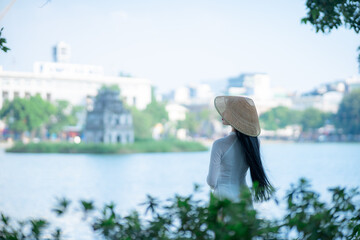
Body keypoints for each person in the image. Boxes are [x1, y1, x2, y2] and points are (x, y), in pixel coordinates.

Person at [207, 96, 273, 202]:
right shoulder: (254, 143)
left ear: (237, 116)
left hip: (223, 199)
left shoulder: (219, 144)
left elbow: (211, 181)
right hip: (244, 197)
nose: (222, 113)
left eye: (227, 111)